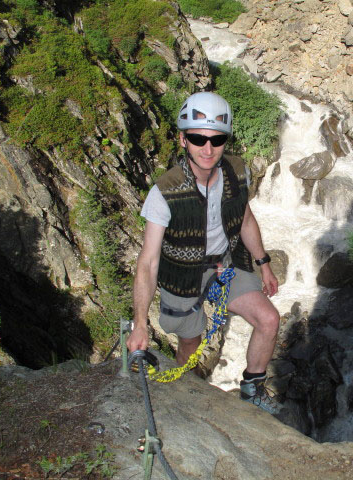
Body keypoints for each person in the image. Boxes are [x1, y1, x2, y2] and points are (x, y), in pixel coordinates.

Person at [126, 91, 282, 414]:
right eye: (198, 139)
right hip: (182, 274)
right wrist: (140, 323)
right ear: (183, 140)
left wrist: (263, 263)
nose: (208, 149)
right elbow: (148, 262)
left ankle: (252, 388)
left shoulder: (237, 172)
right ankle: (188, 398)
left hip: (224, 265)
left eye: (217, 139)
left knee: (269, 319)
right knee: (190, 342)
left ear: (226, 140)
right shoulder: (164, 193)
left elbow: (245, 218)